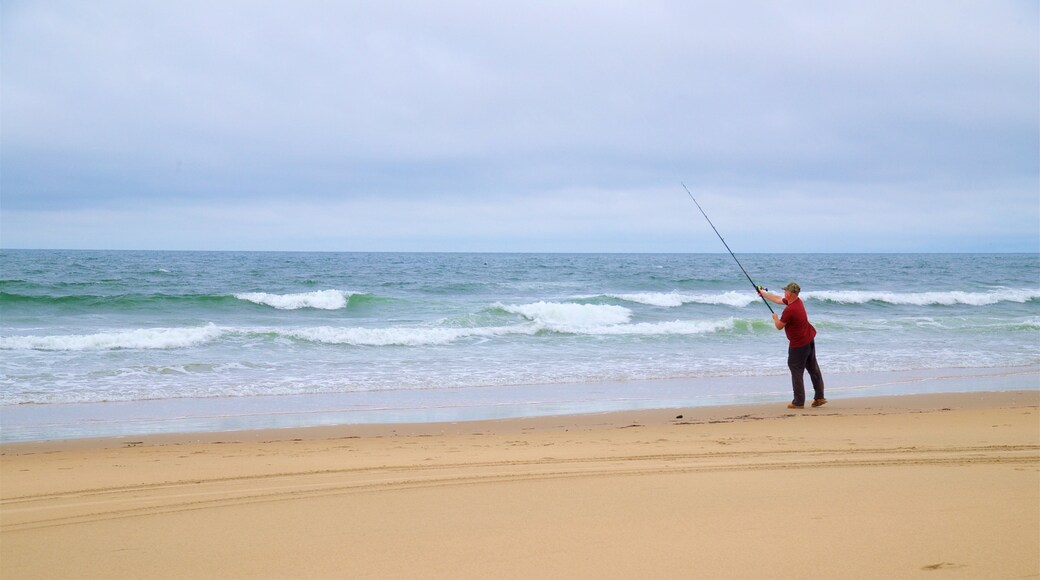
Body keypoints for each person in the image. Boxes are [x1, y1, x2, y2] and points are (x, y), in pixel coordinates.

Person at [759, 282, 826, 409]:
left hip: (799, 345)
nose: (784, 293)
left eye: (785, 291)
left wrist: (775, 318)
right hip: (809, 339)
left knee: (796, 370)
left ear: (790, 293)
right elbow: (778, 300)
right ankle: (819, 397)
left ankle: (798, 402)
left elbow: (779, 326)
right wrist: (763, 294)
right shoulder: (798, 302)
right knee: (813, 368)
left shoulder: (790, 310)